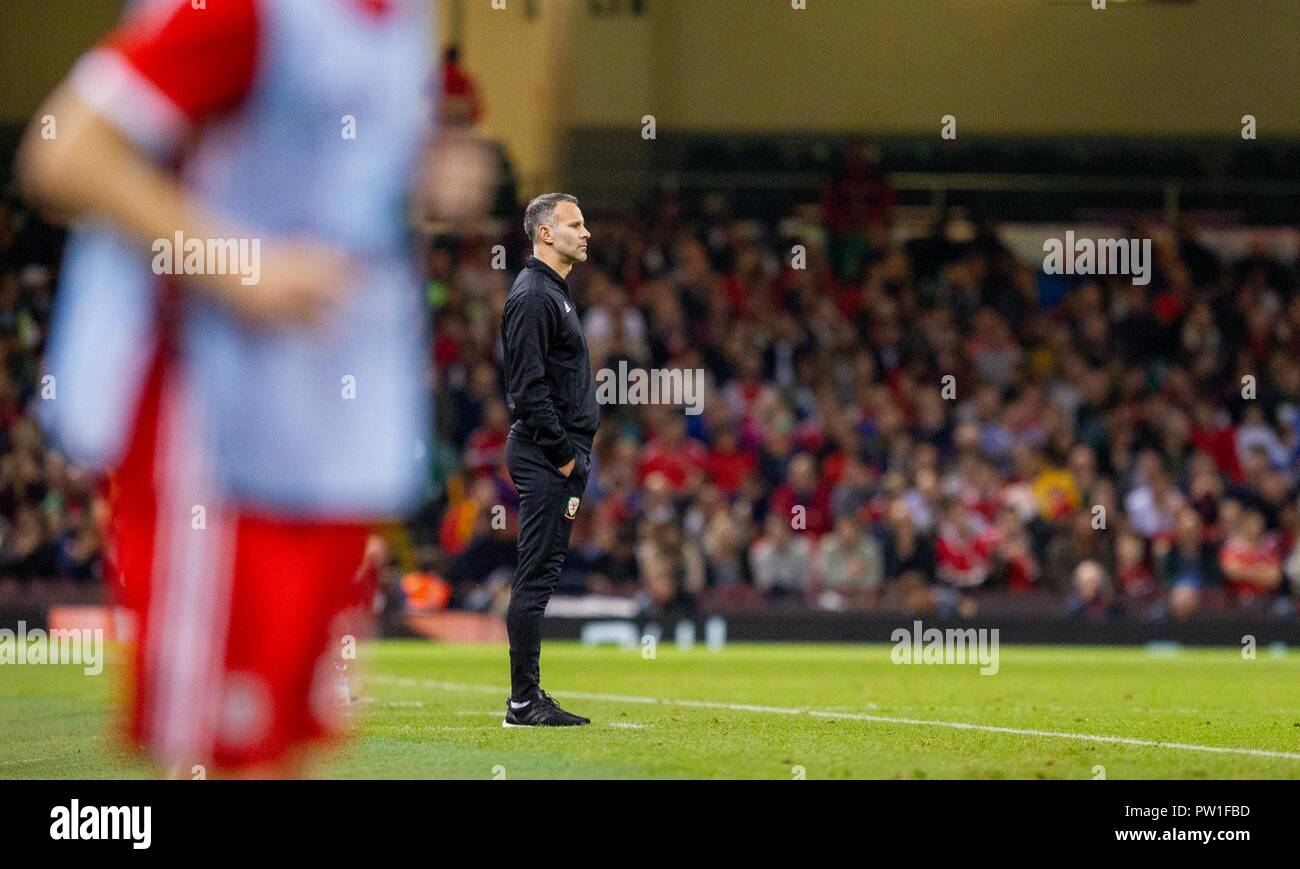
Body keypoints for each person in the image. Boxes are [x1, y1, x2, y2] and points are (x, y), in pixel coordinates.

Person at [17, 0, 434, 777]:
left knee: (277, 749)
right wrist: (243, 266)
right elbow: (65, 151)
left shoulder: (401, 20)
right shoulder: (246, 12)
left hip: (323, 430)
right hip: (209, 422)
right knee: (217, 755)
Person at [499, 193, 597, 727]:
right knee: (535, 577)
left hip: (556, 453)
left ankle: (527, 695)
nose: (586, 232)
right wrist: (564, 458)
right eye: (574, 224)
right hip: (547, 455)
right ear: (544, 234)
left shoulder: (551, 292)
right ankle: (522, 702)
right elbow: (528, 388)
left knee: (542, 573)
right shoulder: (536, 295)